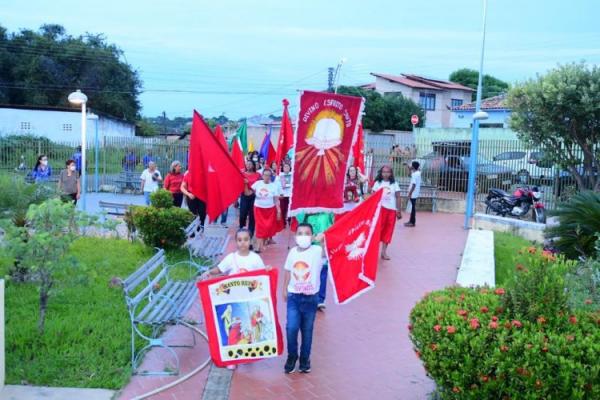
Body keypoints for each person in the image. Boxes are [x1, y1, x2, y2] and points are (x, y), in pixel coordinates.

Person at [200, 228, 269, 370]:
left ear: (250, 241)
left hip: (249, 301)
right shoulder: (231, 258)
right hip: (234, 302)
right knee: (234, 332)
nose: (243, 243)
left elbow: (262, 275)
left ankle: (246, 354)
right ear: (236, 242)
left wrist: (267, 270)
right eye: (239, 240)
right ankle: (232, 358)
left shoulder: (255, 259)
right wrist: (209, 272)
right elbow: (220, 269)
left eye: (245, 239)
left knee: (248, 329)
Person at [283, 222, 324, 374]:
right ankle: (292, 356)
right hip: (294, 297)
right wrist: (284, 289)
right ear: (295, 236)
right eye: (300, 233)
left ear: (312, 236)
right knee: (291, 328)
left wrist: (323, 241)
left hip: (311, 299)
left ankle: (305, 359)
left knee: (307, 330)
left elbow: (327, 253)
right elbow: (287, 270)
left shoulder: (317, 250)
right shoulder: (293, 252)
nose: (303, 236)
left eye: (307, 233)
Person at [371, 165, 402, 260]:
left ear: (391, 173)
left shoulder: (394, 184)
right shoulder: (377, 183)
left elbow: (398, 197)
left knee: (388, 231)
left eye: (388, 172)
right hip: (380, 210)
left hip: (391, 210)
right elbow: (373, 197)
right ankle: (373, 251)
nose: (385, 174)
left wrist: (398, 210)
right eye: (384, 172)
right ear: (381, 173)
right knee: (378, 230)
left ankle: (384, 252)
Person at [251, 168, 282, 253]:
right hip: (258, 208)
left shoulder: (273, 186)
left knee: (267, 227)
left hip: (270, 209)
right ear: (262, 176)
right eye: (265, 175)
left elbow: (276, 199)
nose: (267, 177)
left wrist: (278, 211)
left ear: (271, 176)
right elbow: (251, 192)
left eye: (269, 175)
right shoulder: (257, 184)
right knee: (259, 226)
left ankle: (264, 241)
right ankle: (257, 246)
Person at [239, 160, 261, 238]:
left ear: (253, 165)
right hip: (244, 196)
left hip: (254, 197)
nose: (248, 165)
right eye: (247, 164)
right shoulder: (242, 174)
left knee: (252, 217)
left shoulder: (258, 175)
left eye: (250, 164)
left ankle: (250, 235)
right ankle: (241, 229)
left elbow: (260, 186)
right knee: (242, 214)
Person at [405, 161, 422, 227]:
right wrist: (408, 167)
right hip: (415, 193)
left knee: (412, 209)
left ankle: (412, 222)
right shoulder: (417, 173)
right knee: (412, 208)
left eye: (411, 165)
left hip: (413, 193)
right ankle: (411, 221)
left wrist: (410, 193)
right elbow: (409, 175)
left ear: (413, 167)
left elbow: (414, 185)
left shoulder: (415, 174)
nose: (410, 166)